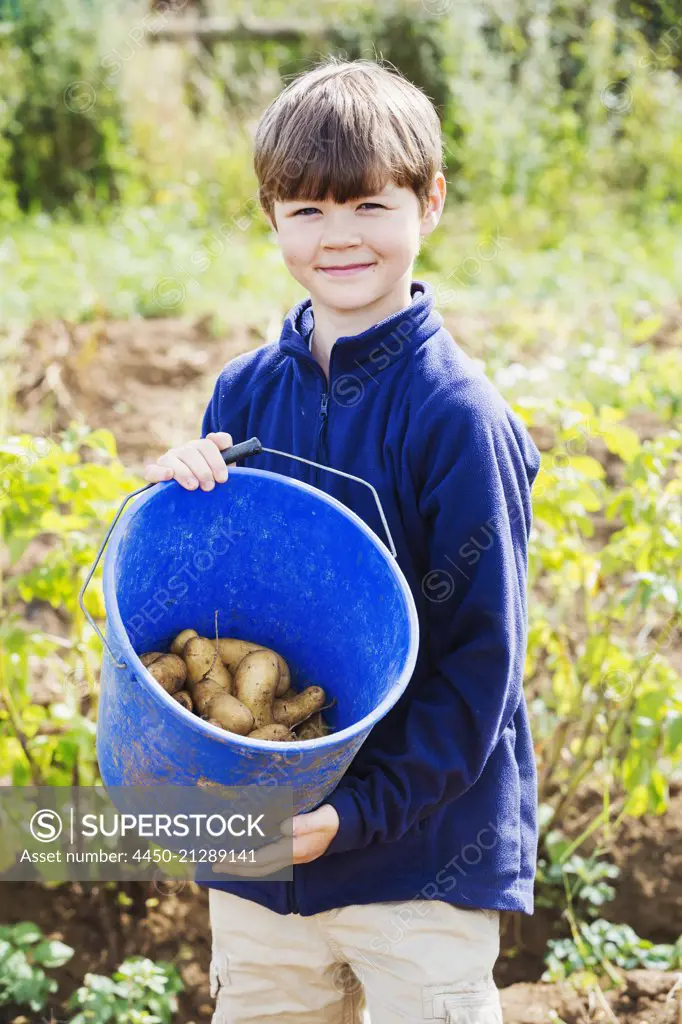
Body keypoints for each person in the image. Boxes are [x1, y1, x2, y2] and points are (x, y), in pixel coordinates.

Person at [144, 56, 541, 1024]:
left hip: (419, 856)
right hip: (262, 849)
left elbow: (480, 665)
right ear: (271, 218)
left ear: (429, 202)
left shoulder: (457, 417)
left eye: (368, 205)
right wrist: (174, 503)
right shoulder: (243, 394)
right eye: (308, 211)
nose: (340, 237)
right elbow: (207, 609)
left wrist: (356, 814)